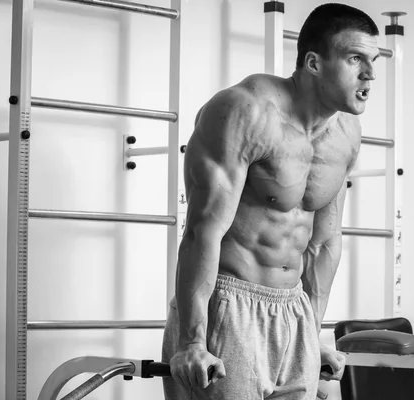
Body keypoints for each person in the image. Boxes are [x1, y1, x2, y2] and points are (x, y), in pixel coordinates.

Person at [162, 3, 380, 399]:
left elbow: (324, 241)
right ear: (314, 62)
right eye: (355, 59)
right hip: (229, 306)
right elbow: (201, 232)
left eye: (373, 61)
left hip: (293, 309)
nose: (370, 74)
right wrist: (193, 342)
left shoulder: (347, 132)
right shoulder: (245, 111)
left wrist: (310, 331)